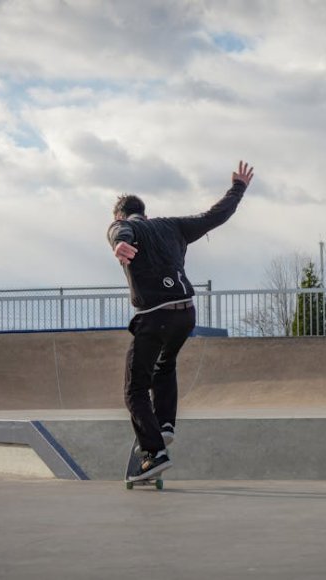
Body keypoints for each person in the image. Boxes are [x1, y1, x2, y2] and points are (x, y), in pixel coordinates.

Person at [107, 160, 255, 482]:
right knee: (165, 364)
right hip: (186, 312)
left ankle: (155, 452)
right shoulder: (174, 225)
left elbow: (120, 230)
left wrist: (120, 241)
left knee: (134, 388)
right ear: (145, 212)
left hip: (154, 315)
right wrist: (238, 187)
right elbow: (214, 216)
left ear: (120, 214)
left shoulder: (123, 226)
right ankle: (164, 424)